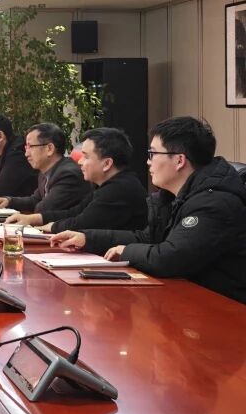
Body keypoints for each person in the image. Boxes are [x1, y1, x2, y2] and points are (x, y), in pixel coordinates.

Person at [51, 117, 246, 304]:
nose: (148, 162)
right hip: (185, 299)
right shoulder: (171, 196)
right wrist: (87, 239)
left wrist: (126, 251)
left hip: (224, 309)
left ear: (179, 160)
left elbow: (170, 258)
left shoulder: (215, 203)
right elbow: (148, 238)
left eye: (153, 154)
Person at [6, 127, 148, 232]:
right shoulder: (106, 185)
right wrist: (32, 219)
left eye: (85, 156)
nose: (79, 162)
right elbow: (75, 212)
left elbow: (82, 222)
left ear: (107, 164)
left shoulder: (120, 188)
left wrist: (51, 227)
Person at [0, 122, 90, 214]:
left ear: (49, 149)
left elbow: (43, 209)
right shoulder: (45, 171)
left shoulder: (68, 175)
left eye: (30, 146)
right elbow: (35, 200)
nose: (26, 154)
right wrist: (9, 201)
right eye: (26, 148)